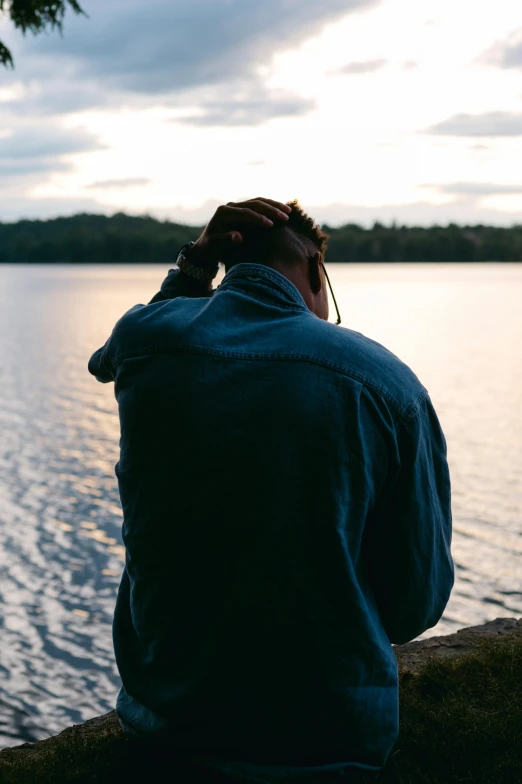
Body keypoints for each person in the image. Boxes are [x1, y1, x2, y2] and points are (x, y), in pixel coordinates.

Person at [88, 197, 454, 783]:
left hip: (167, 724)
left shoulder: (145, 341)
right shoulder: (389, 384)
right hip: (325, 743)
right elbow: (417, 603)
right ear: (314, 269)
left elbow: (106, 363)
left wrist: (193, 263)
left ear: (226, 262)